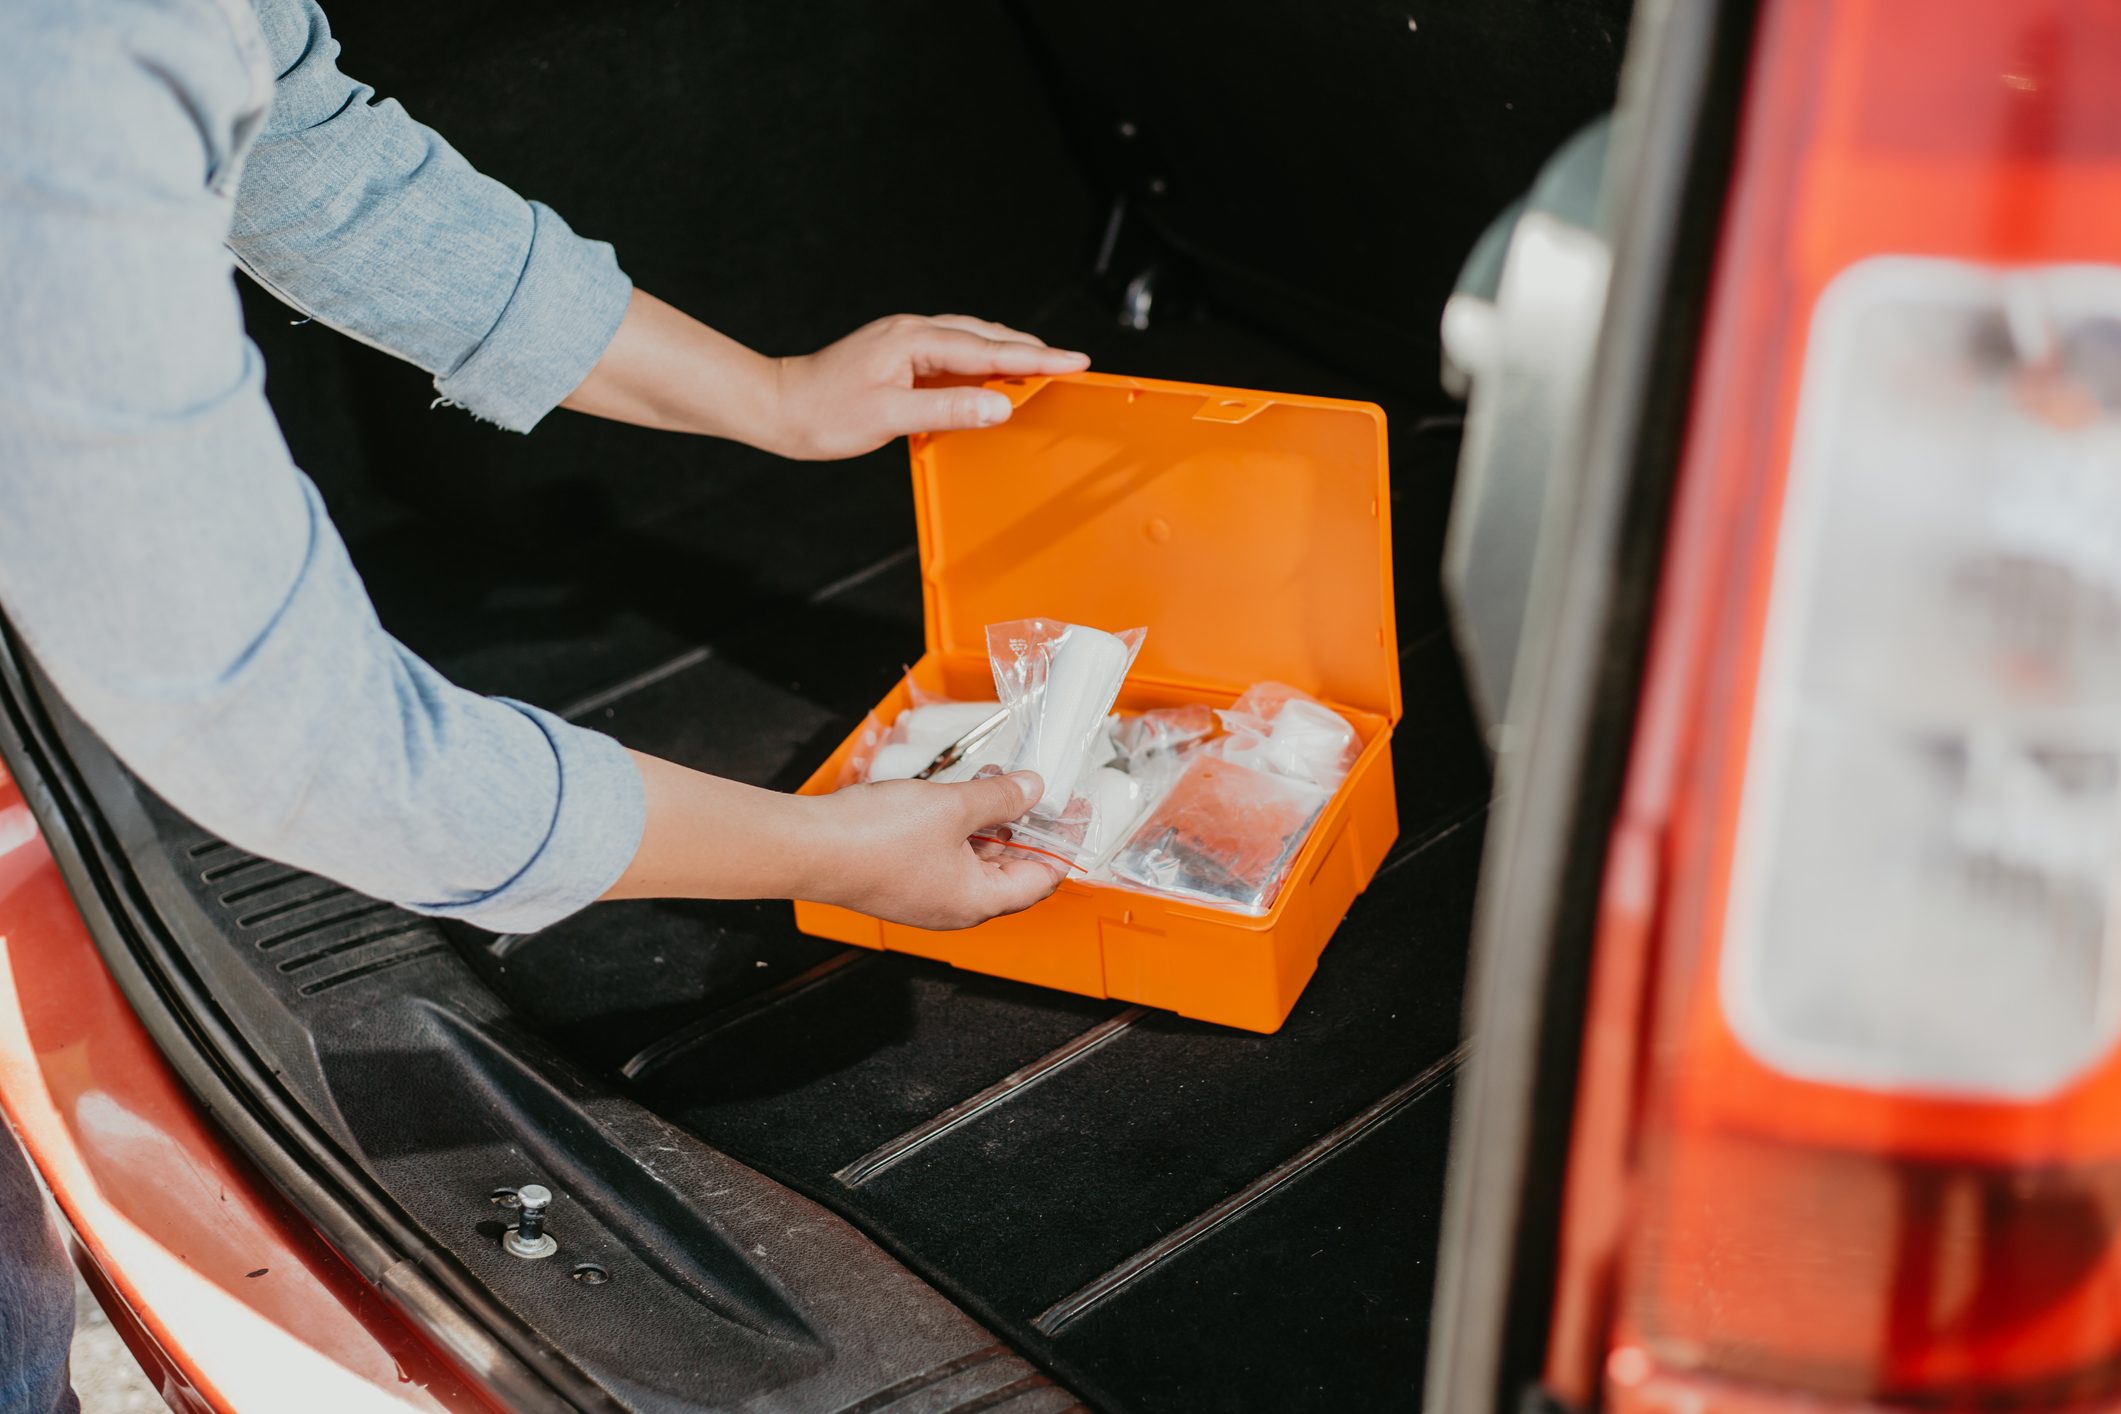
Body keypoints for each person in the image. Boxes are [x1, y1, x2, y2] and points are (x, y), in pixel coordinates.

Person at [0, 0, 1079, 1404]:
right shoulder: (58, 82)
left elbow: (308, 155)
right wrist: (826, 851)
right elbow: (312, 748)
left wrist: (774, 395)